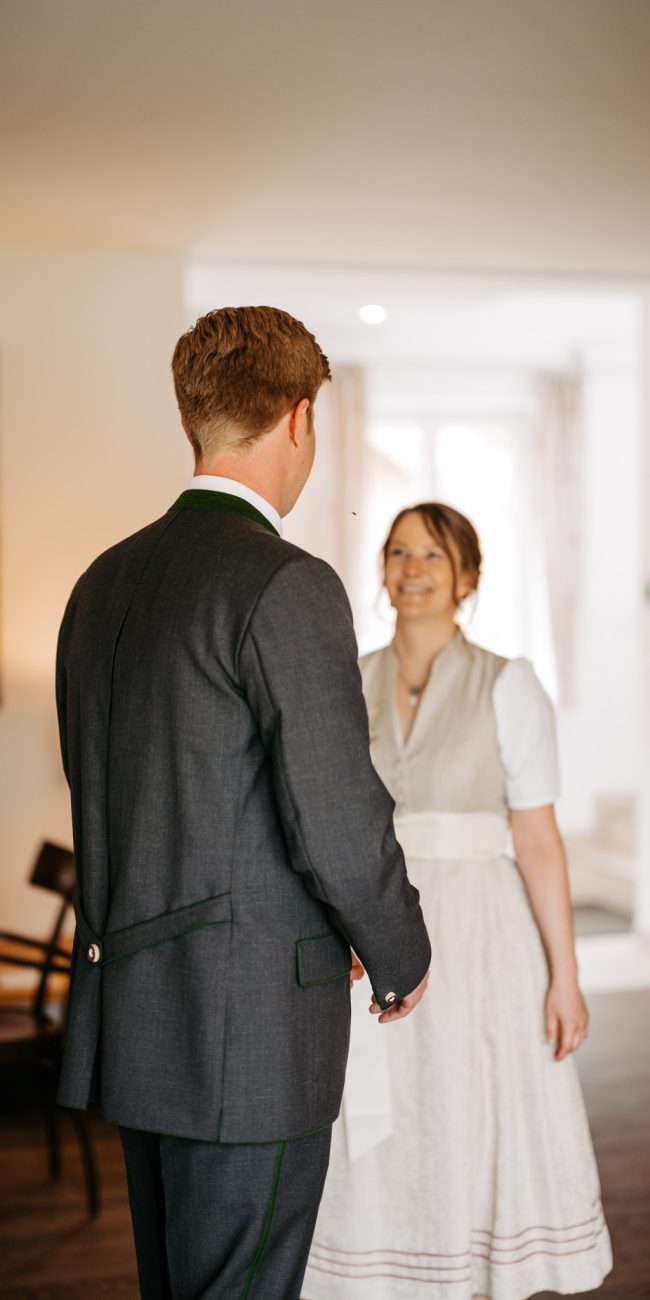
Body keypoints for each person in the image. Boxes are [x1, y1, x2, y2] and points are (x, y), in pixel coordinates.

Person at [55, 307, 431, 1300]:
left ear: (196, 417)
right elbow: (336, 816)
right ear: (299, 419)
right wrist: (399, 951)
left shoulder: (100, 583)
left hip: (137, 1024)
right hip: (247, 1035)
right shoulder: (283, 583)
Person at [303, 503, 613, 1300]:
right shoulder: (346, 679)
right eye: (398, 552)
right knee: (382, 1109)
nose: (412, 569)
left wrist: (565, 976)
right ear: (381, 569)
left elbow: (538, 839)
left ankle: (467, 1268)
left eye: (433, 556)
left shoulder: (508, 684)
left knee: (467, 1104)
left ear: (467, 576)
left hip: (480, 930)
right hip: (371, 920)